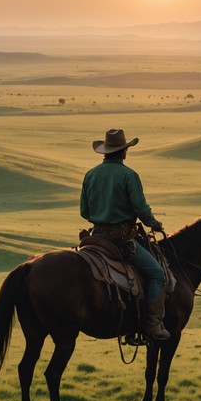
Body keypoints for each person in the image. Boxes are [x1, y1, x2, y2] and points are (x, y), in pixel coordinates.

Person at [80, 128, 170, 341]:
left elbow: (85, 212)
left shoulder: (90, 174)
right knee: (157, 274)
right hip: (120, 240)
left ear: (105, 151)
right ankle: (152, 324)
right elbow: (140, 208)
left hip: (95, 238)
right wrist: (154, 223)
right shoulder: (129, 175)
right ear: (124, 151)